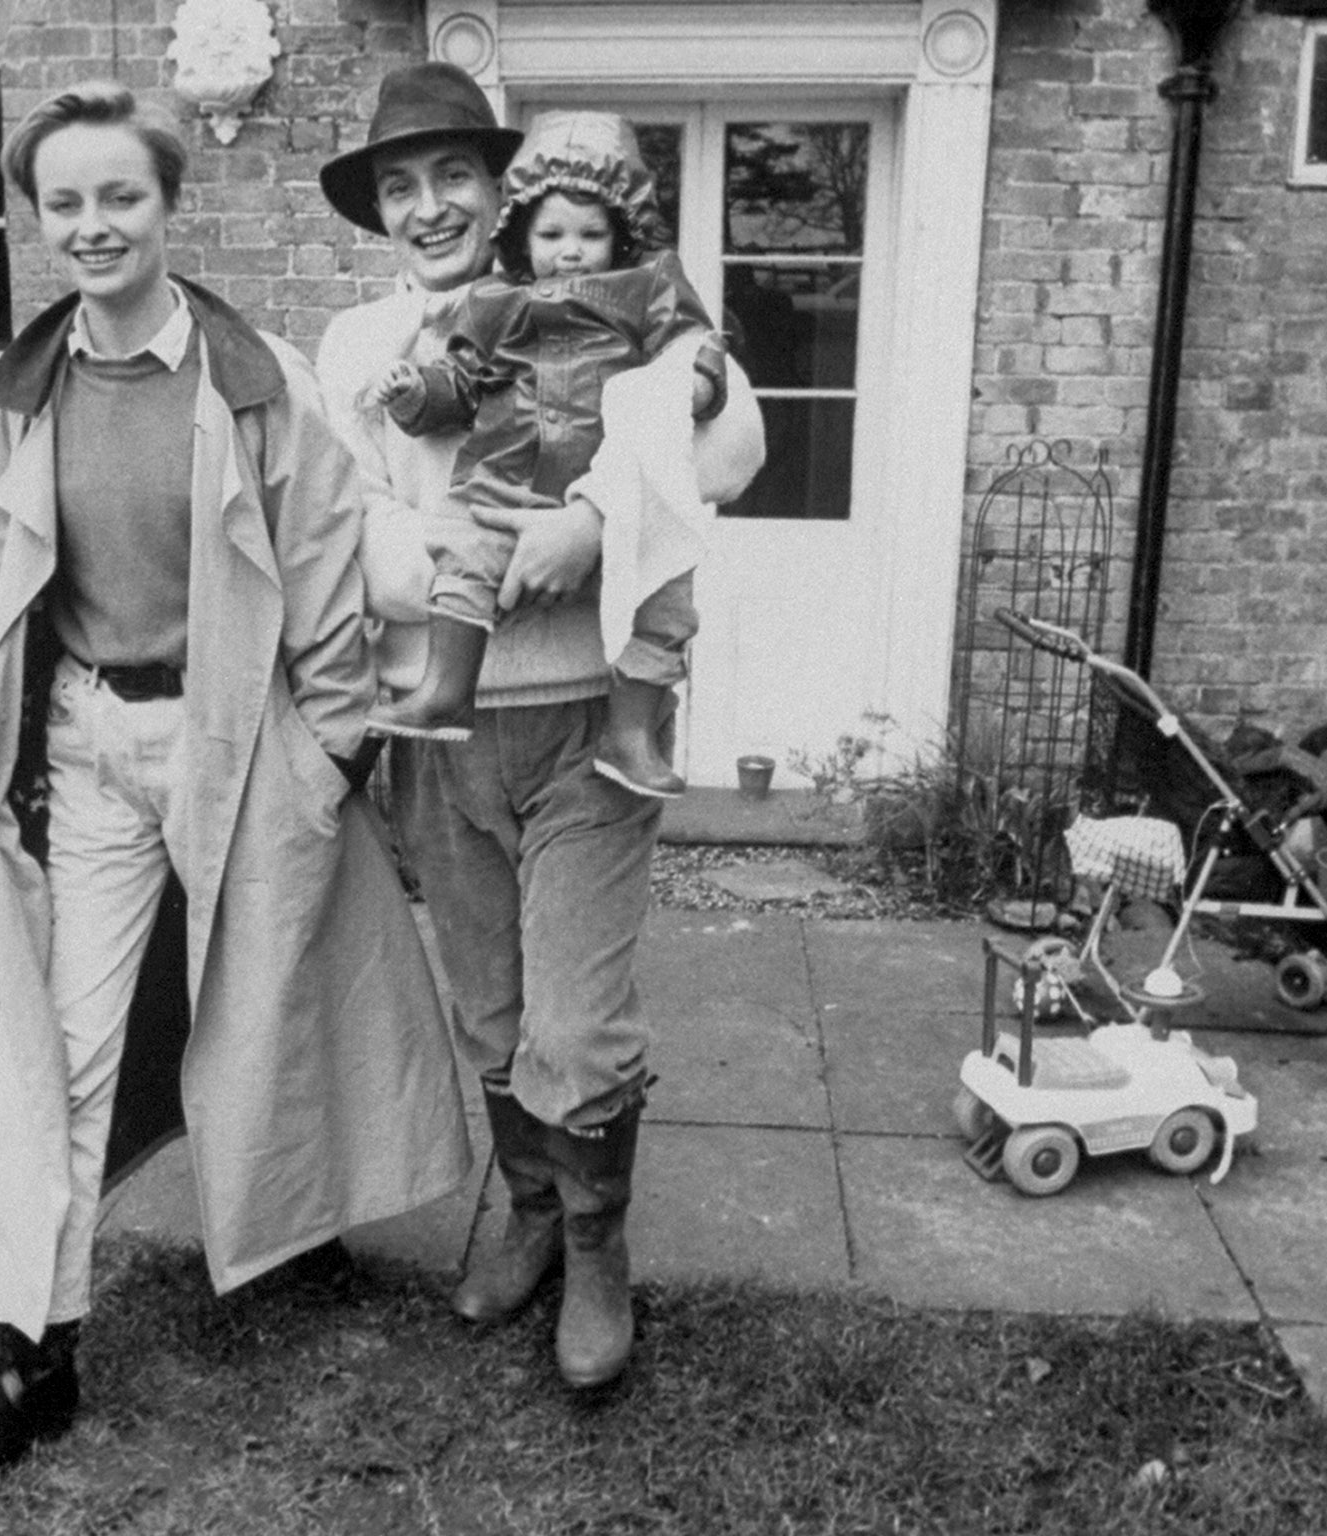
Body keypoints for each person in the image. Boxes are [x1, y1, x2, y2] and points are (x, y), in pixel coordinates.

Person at [0, 80, 470, 1496]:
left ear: (168, 205)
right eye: (67, 202)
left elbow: (330, 564)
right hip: (96, 751)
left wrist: (334, 744)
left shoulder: (253, 377)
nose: (94, 225)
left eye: (122, 197)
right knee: (67, 1048)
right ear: (40, 219)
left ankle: (293, 1231)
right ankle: (32, 1356)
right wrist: (15, 735)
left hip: (245, 743)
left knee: (282, 991)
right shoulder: (18, 397)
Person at [317, 64, 763, 1389]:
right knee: (496, 1009)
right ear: (379, 212)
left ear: (504, 190)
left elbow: (731, 441)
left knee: (579, 1016)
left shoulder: (617, 300)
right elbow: (337, 523)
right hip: (436, 725)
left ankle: (599, 1246)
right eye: (401, 185)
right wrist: (448, 552)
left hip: (584, 717)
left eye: (455, 174)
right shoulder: (356, 348)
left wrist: (599, 518)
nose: (431, 205)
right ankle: (526, 1214)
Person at [360, 109, 727, 800]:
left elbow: (704, 379)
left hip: (614, 525)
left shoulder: (648, 289)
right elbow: (460, 383)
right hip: (506, 485)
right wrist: (412, 394)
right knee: (466, 555)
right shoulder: (491, 307)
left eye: (591, 234)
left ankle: (630, 733)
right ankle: (446, 689)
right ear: (524, 233)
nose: (571, 251)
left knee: (668, 598)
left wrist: (594, 519)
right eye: (553, 234)